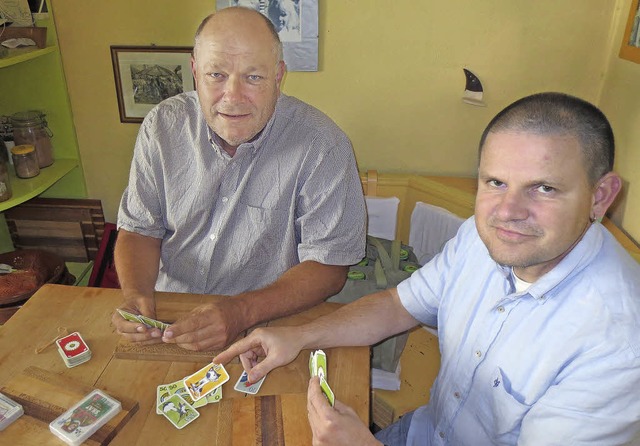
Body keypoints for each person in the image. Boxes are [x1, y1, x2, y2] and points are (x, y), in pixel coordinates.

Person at [215, 92, 640, 445]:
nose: (507, 212)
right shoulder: (481, 237)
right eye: (495, 182)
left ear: (600, 196)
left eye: (543, 188)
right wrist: (297, 335)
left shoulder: (618, 344)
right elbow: (399, 306)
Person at [112, 7, 366, 352]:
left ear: (278, 75)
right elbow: (139, 229)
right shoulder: (162, 126)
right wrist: (136, 296)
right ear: (194, 71)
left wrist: (239, 311)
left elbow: (330, 266)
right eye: (216, 74)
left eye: (253, 77)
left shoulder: (324, 145)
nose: (232, 96)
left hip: (271, 321)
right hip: (169, 315)